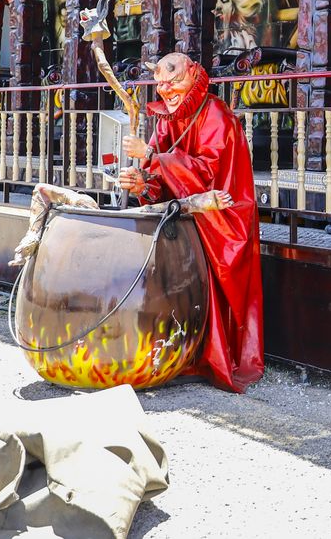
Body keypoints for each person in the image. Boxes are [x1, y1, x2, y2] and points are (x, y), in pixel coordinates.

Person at [113, 52, 265, 393]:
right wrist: (142, 183)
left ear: (194, 75)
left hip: (223, 217)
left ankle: (209, 356)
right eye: (161, 85)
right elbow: (157, 177)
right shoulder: (168, 119)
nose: (167, 90)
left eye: (174, 80)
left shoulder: (217, 116)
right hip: (186, 212)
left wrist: (152, 157)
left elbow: (208, 173)